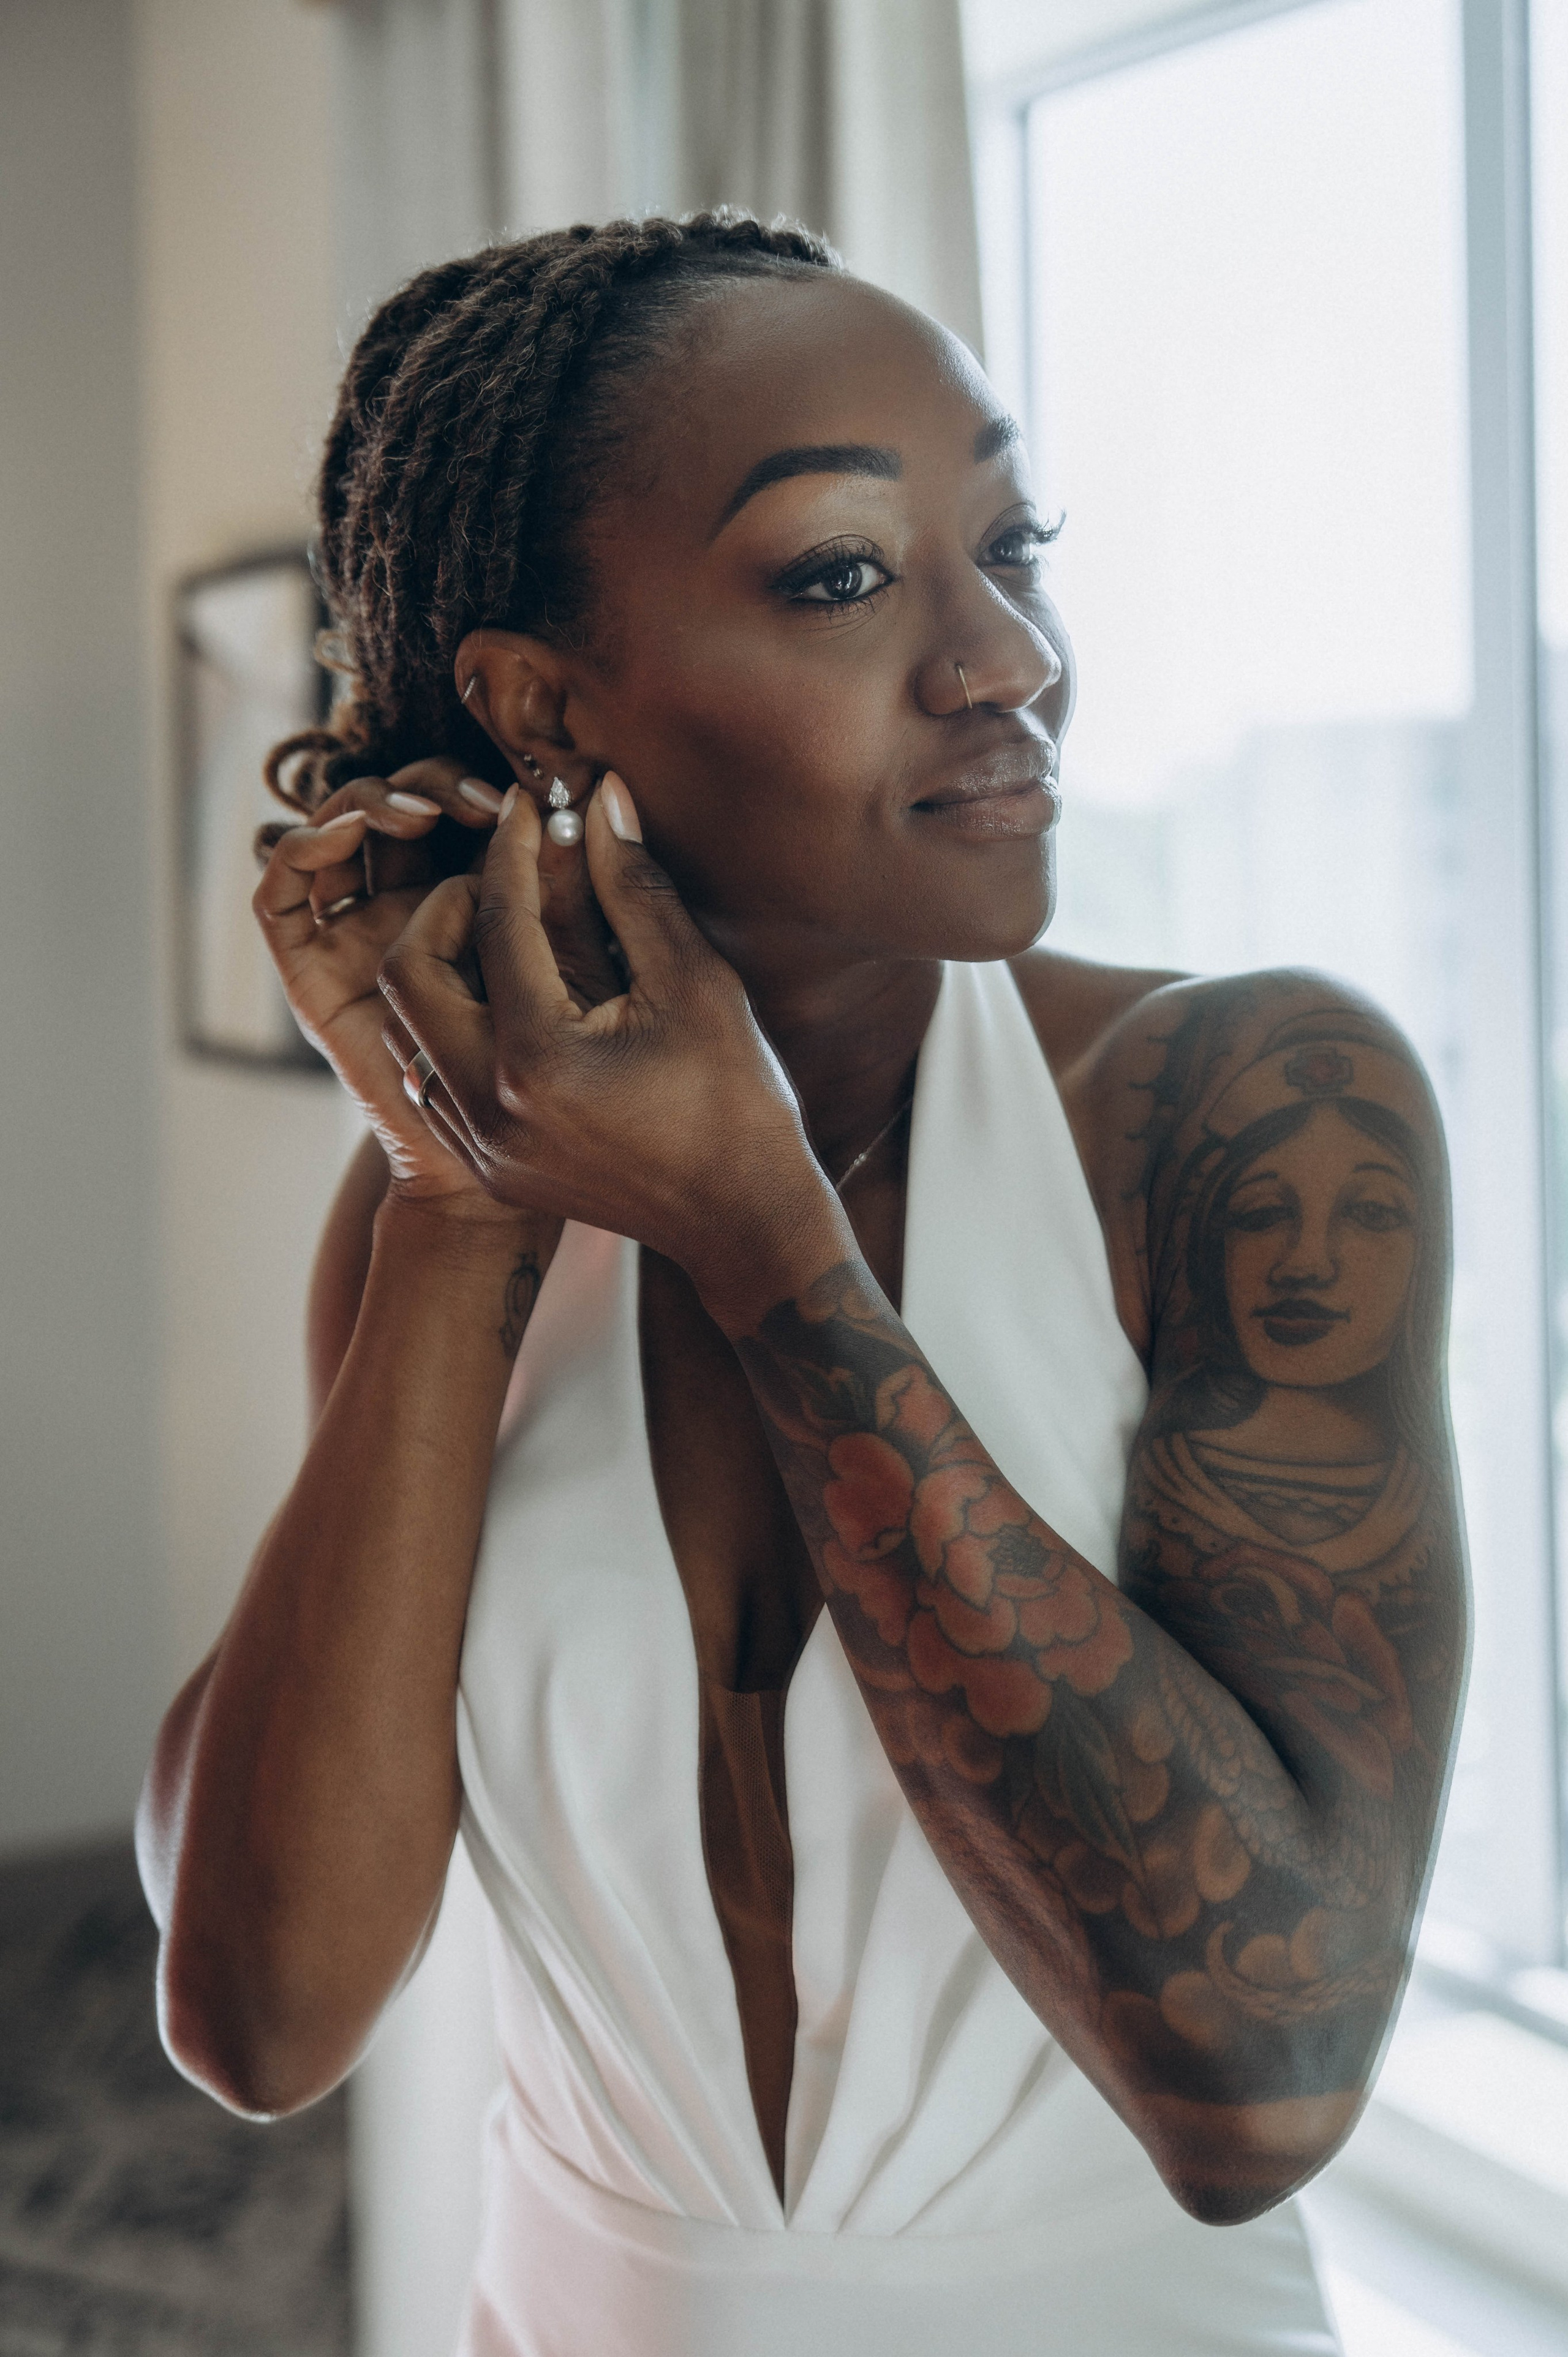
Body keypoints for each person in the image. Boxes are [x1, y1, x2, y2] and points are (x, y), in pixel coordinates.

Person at [135, 211, 1466, 2356]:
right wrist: (460, 1197)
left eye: (1014, 546)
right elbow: (264, 2017)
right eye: (846, 573)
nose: (1005, 656)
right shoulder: (440, 1217)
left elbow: (1261, 2088)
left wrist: (774, 1243)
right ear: (542, 705)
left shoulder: (1247, 1114)